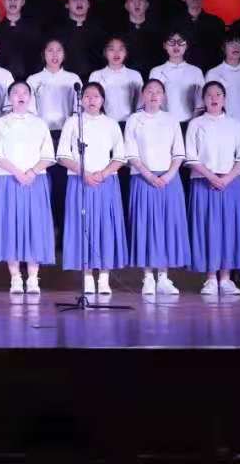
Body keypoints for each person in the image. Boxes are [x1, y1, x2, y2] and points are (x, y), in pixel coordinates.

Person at [57, 82, 127, 295]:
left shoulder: (111, 124)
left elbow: (120, 156)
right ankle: (87, 276)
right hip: (79, 180)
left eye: (96, 96)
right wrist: (84, 173)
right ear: (81, 100)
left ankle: (104, 277)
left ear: (103, 100)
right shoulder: (73, 122)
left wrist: (103, 174)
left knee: (106, 226)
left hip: (106, 182)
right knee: (83, 226)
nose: (91, 100)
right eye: (86, 96)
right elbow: (62, 155)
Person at [0, 82, 56, 294]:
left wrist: (32, 172)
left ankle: (34, 278)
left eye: (25, 92)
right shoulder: (0, 123)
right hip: (7, 179)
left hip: (35, 180)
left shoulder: (39, 123)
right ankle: (15, 277)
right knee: (10, 227)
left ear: (30, 97)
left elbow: (48, 155)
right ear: (9, 98)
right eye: (16, 92)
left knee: (35, 226)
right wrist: (18, 173)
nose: (20, 96)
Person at [185, 81, 240, 295]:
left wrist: (227, 178)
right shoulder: (196, 124)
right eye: (209, 95)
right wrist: (211, 177)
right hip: (204, 182)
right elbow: (191, 156)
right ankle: (211, 278)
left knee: (230, 229)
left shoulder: (234, 124)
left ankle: (226, 278)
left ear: (224, 98)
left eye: (218, 94)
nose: (214, 98)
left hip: (231, 184)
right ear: (203, 99)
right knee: (208, 228)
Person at [125, 79, 189, 295]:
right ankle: (147, 278)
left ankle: (163, 277)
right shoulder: (134, 120)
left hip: (169, 180)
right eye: (150, 91)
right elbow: (131, 153)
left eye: (158, 92)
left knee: (166, 227)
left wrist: (168, 176)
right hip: (143, 179)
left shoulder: (171, 120)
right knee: (145, 226)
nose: (154, 95)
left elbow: (179, 152)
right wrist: (150, 176)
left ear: (164, 96)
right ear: (142, 95)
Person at [26, 39, 82, 226]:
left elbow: (78, 111)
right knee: (42, 182)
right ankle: (45, 227)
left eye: (59, 50)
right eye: (50, 50)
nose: (55, 55)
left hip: (66, 136)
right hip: (41, 136)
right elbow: (30, 112)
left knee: (63, 183)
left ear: (64, 55)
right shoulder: (33, 80)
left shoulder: (73, 78)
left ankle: (63, 227)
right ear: (44, 54)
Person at [149, 30, 205, 126]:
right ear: (164, 45)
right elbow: (151, 100)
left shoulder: (196, 71)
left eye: (180, 42)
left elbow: (201, 102)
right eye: (171, 42)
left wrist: (192, 123)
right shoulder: (156, 71)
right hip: (163, 124)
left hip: (191, 123)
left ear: (186, 46)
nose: (176, 46)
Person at [52, 0, 106, 82]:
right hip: (63, 80)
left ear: (89, 4)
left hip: (94, 80)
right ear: (66, 4)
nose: (79, 2)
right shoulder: (57, 31)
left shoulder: (99, 30)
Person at [172, 0, 225, 73]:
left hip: (210, 73)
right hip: (181, 73)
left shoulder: (216, 22)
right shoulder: (173, 23)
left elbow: (221, 52)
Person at [0, 0, 45, 81]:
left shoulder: (35, 30)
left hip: (30, 82)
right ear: (3, 1)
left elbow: (40, 58)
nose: (13, 0)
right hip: (1, 82)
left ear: (23, 2)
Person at [89, 36, 143, 125]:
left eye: (121, 49)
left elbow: (141, 104)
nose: (116, 53)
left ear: (126, 53)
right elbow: (91, 103)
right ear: (105, 52)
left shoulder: (135, 75)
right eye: (111, 49)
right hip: (104, 124)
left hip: (130, 123)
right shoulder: (96, 76)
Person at [117, 0, 164, 76]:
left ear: (147, 5)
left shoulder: (158, 31)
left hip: (152, 77)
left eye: (141, 0)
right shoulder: (118, 32)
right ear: (126, 6)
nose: (137, 4)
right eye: (132, 0)